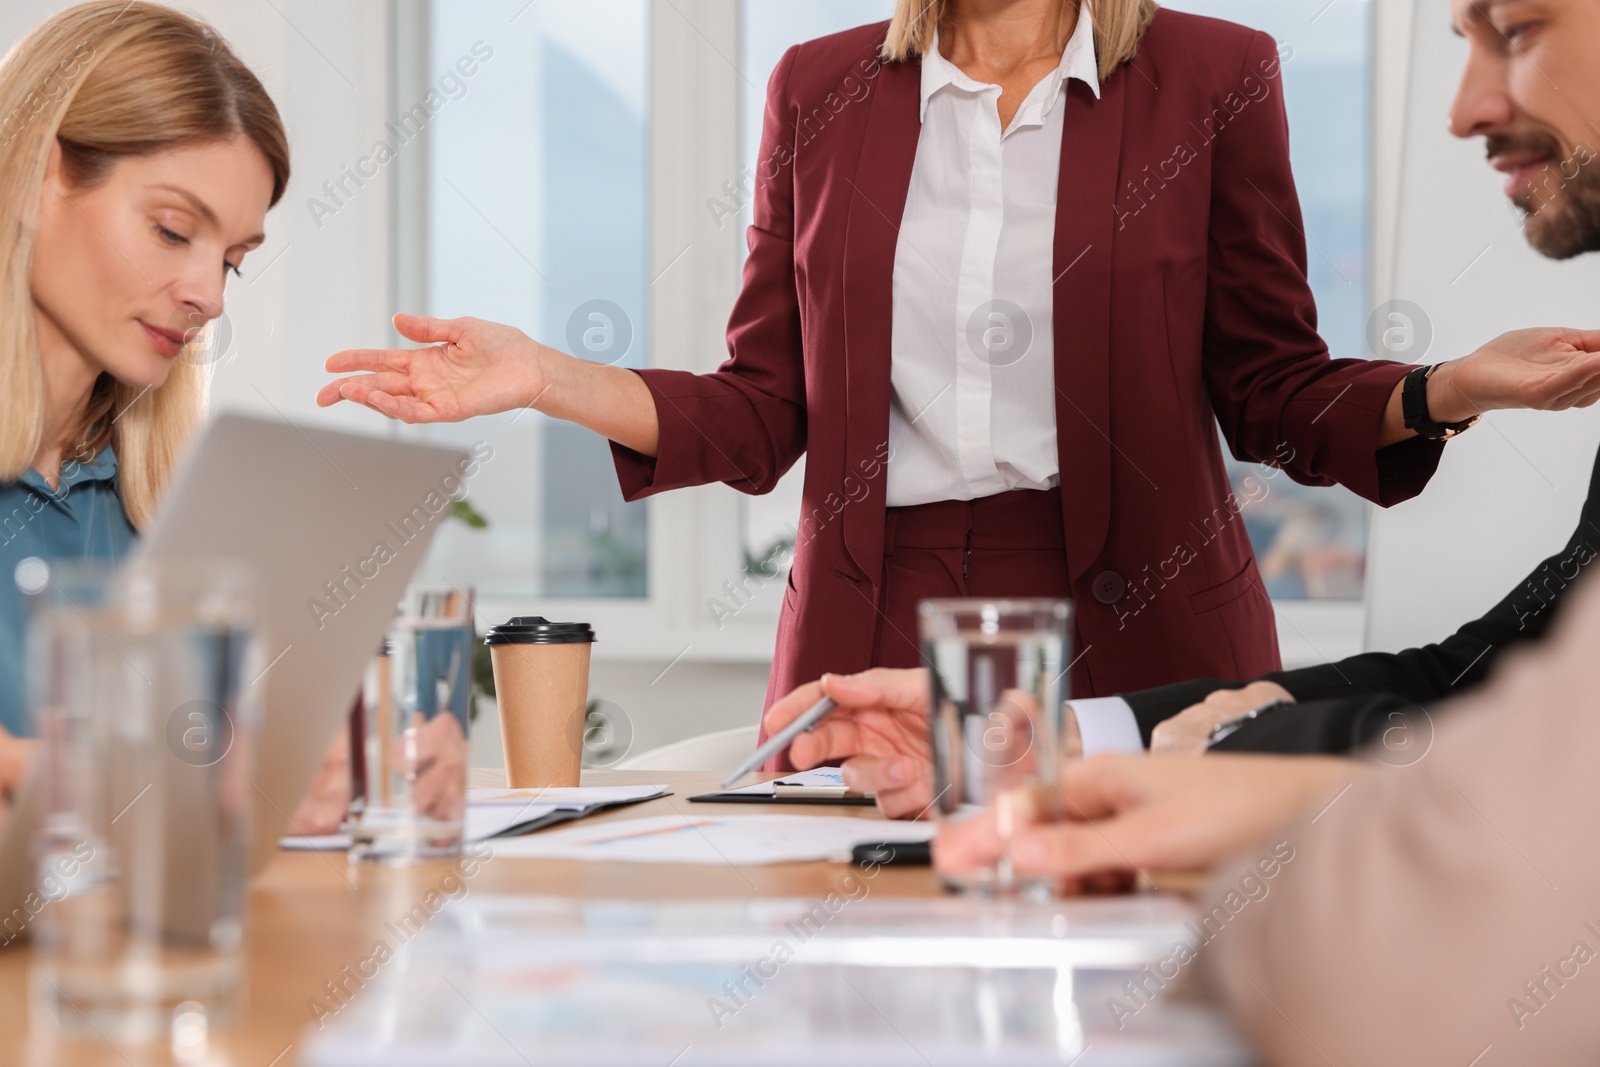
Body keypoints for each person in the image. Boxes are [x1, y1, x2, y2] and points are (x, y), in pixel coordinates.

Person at [317, 0, 1600, 769]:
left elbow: (1271, 384)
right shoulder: (819, 88)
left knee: (1142, 997)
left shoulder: (1214, 74)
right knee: (844, 984)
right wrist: (545, 374)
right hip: (872, 616)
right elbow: (765, 406)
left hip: (1144, 618)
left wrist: (1444, 387)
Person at [0, 0, 290, 815]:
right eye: (171, 230)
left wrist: (306, 772)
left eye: (231, 260)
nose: (208, 296)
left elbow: (196, 769)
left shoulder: (151, 506)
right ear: (36, 177)